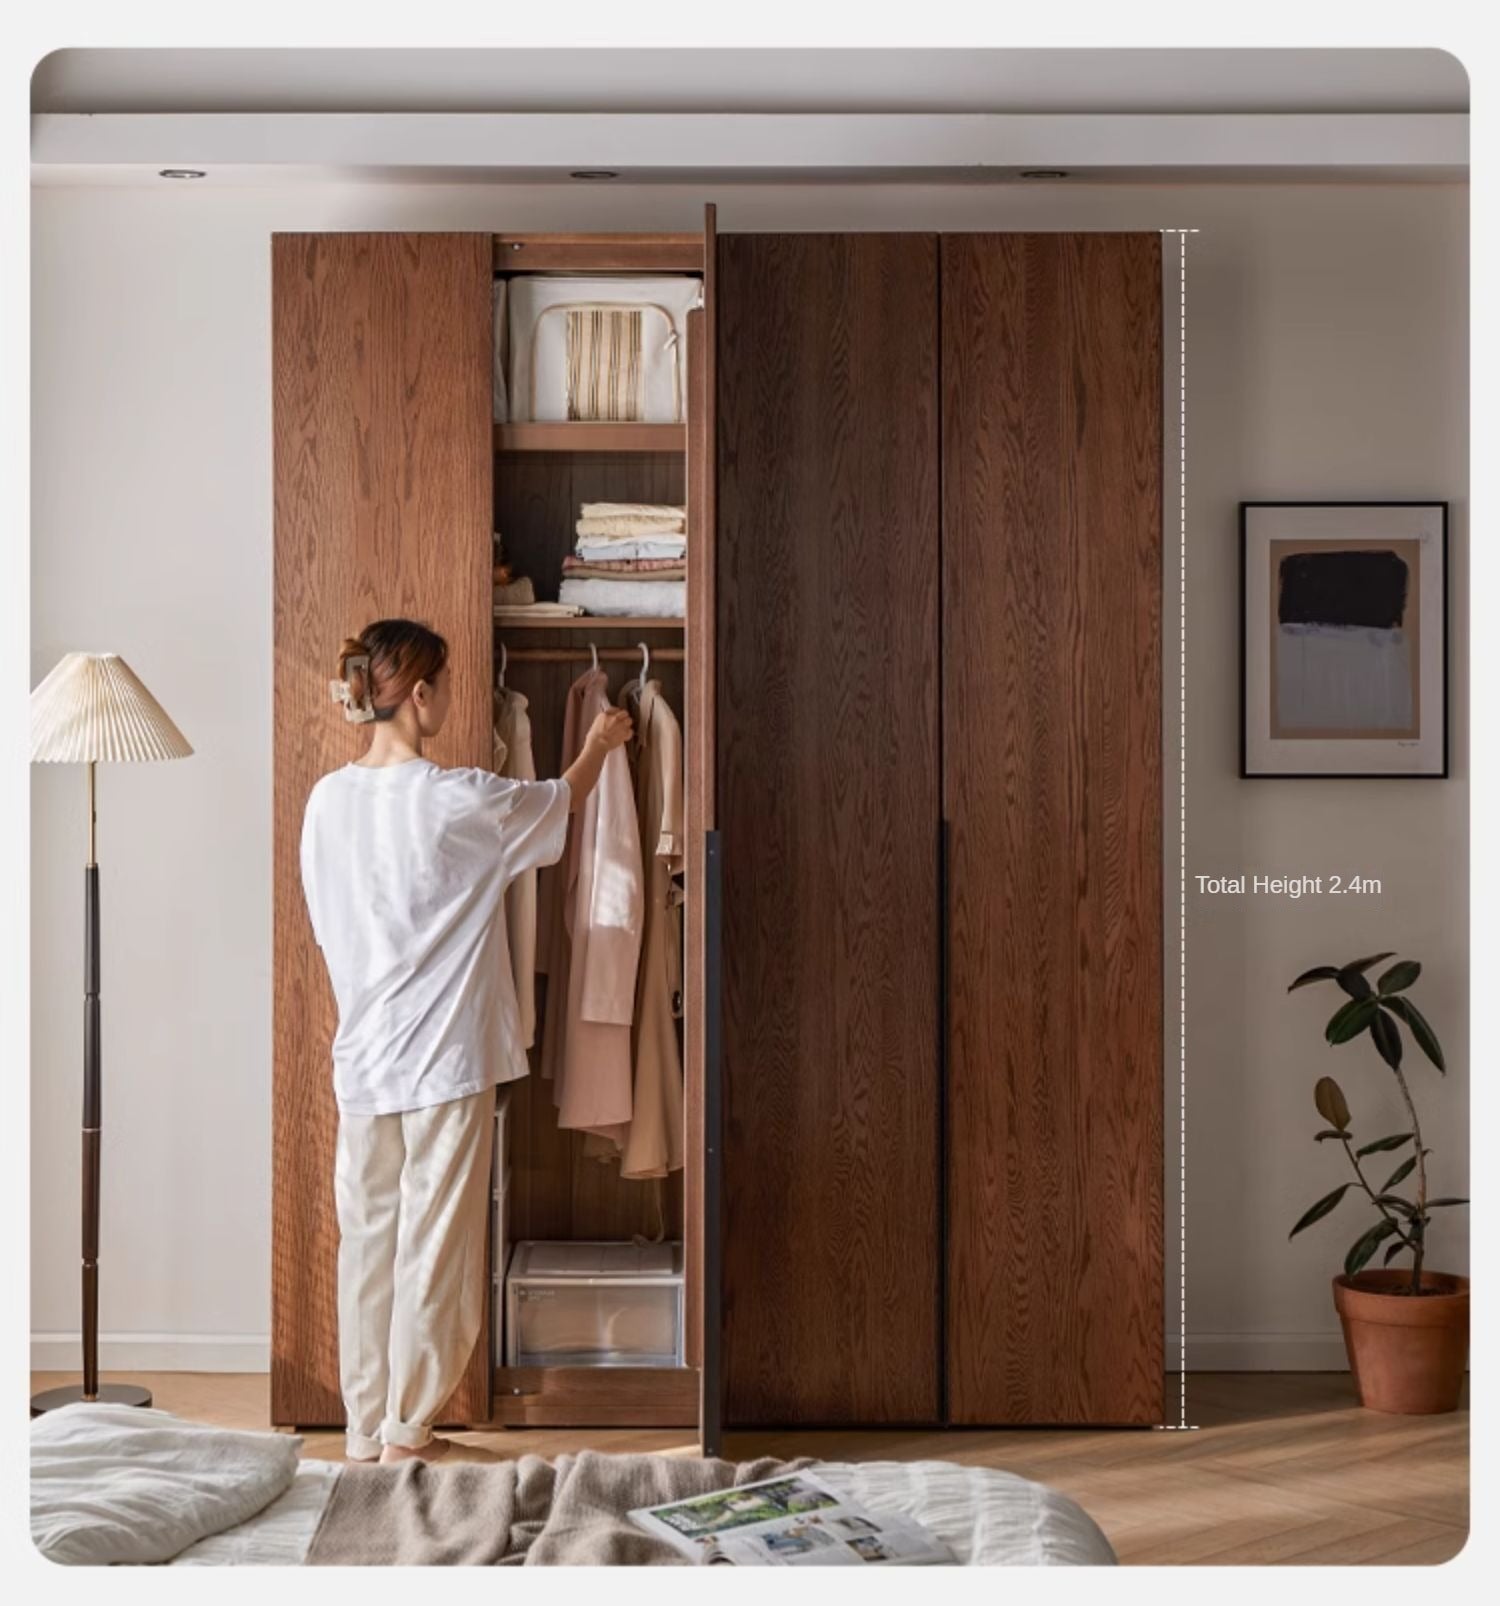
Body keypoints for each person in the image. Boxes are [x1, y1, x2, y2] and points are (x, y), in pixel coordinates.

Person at [300, 618, 631, 1464]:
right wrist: (599, 739)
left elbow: (329, 924)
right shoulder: (461, 799)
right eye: (444, 686)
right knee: (434, 1246)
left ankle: (364, 1430)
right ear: (418, 696)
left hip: (364, 1055)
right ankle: (410, 1428)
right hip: (442, 1059)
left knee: (368, 1244)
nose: (449, 699)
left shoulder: (326, 801)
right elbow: (563, 798)